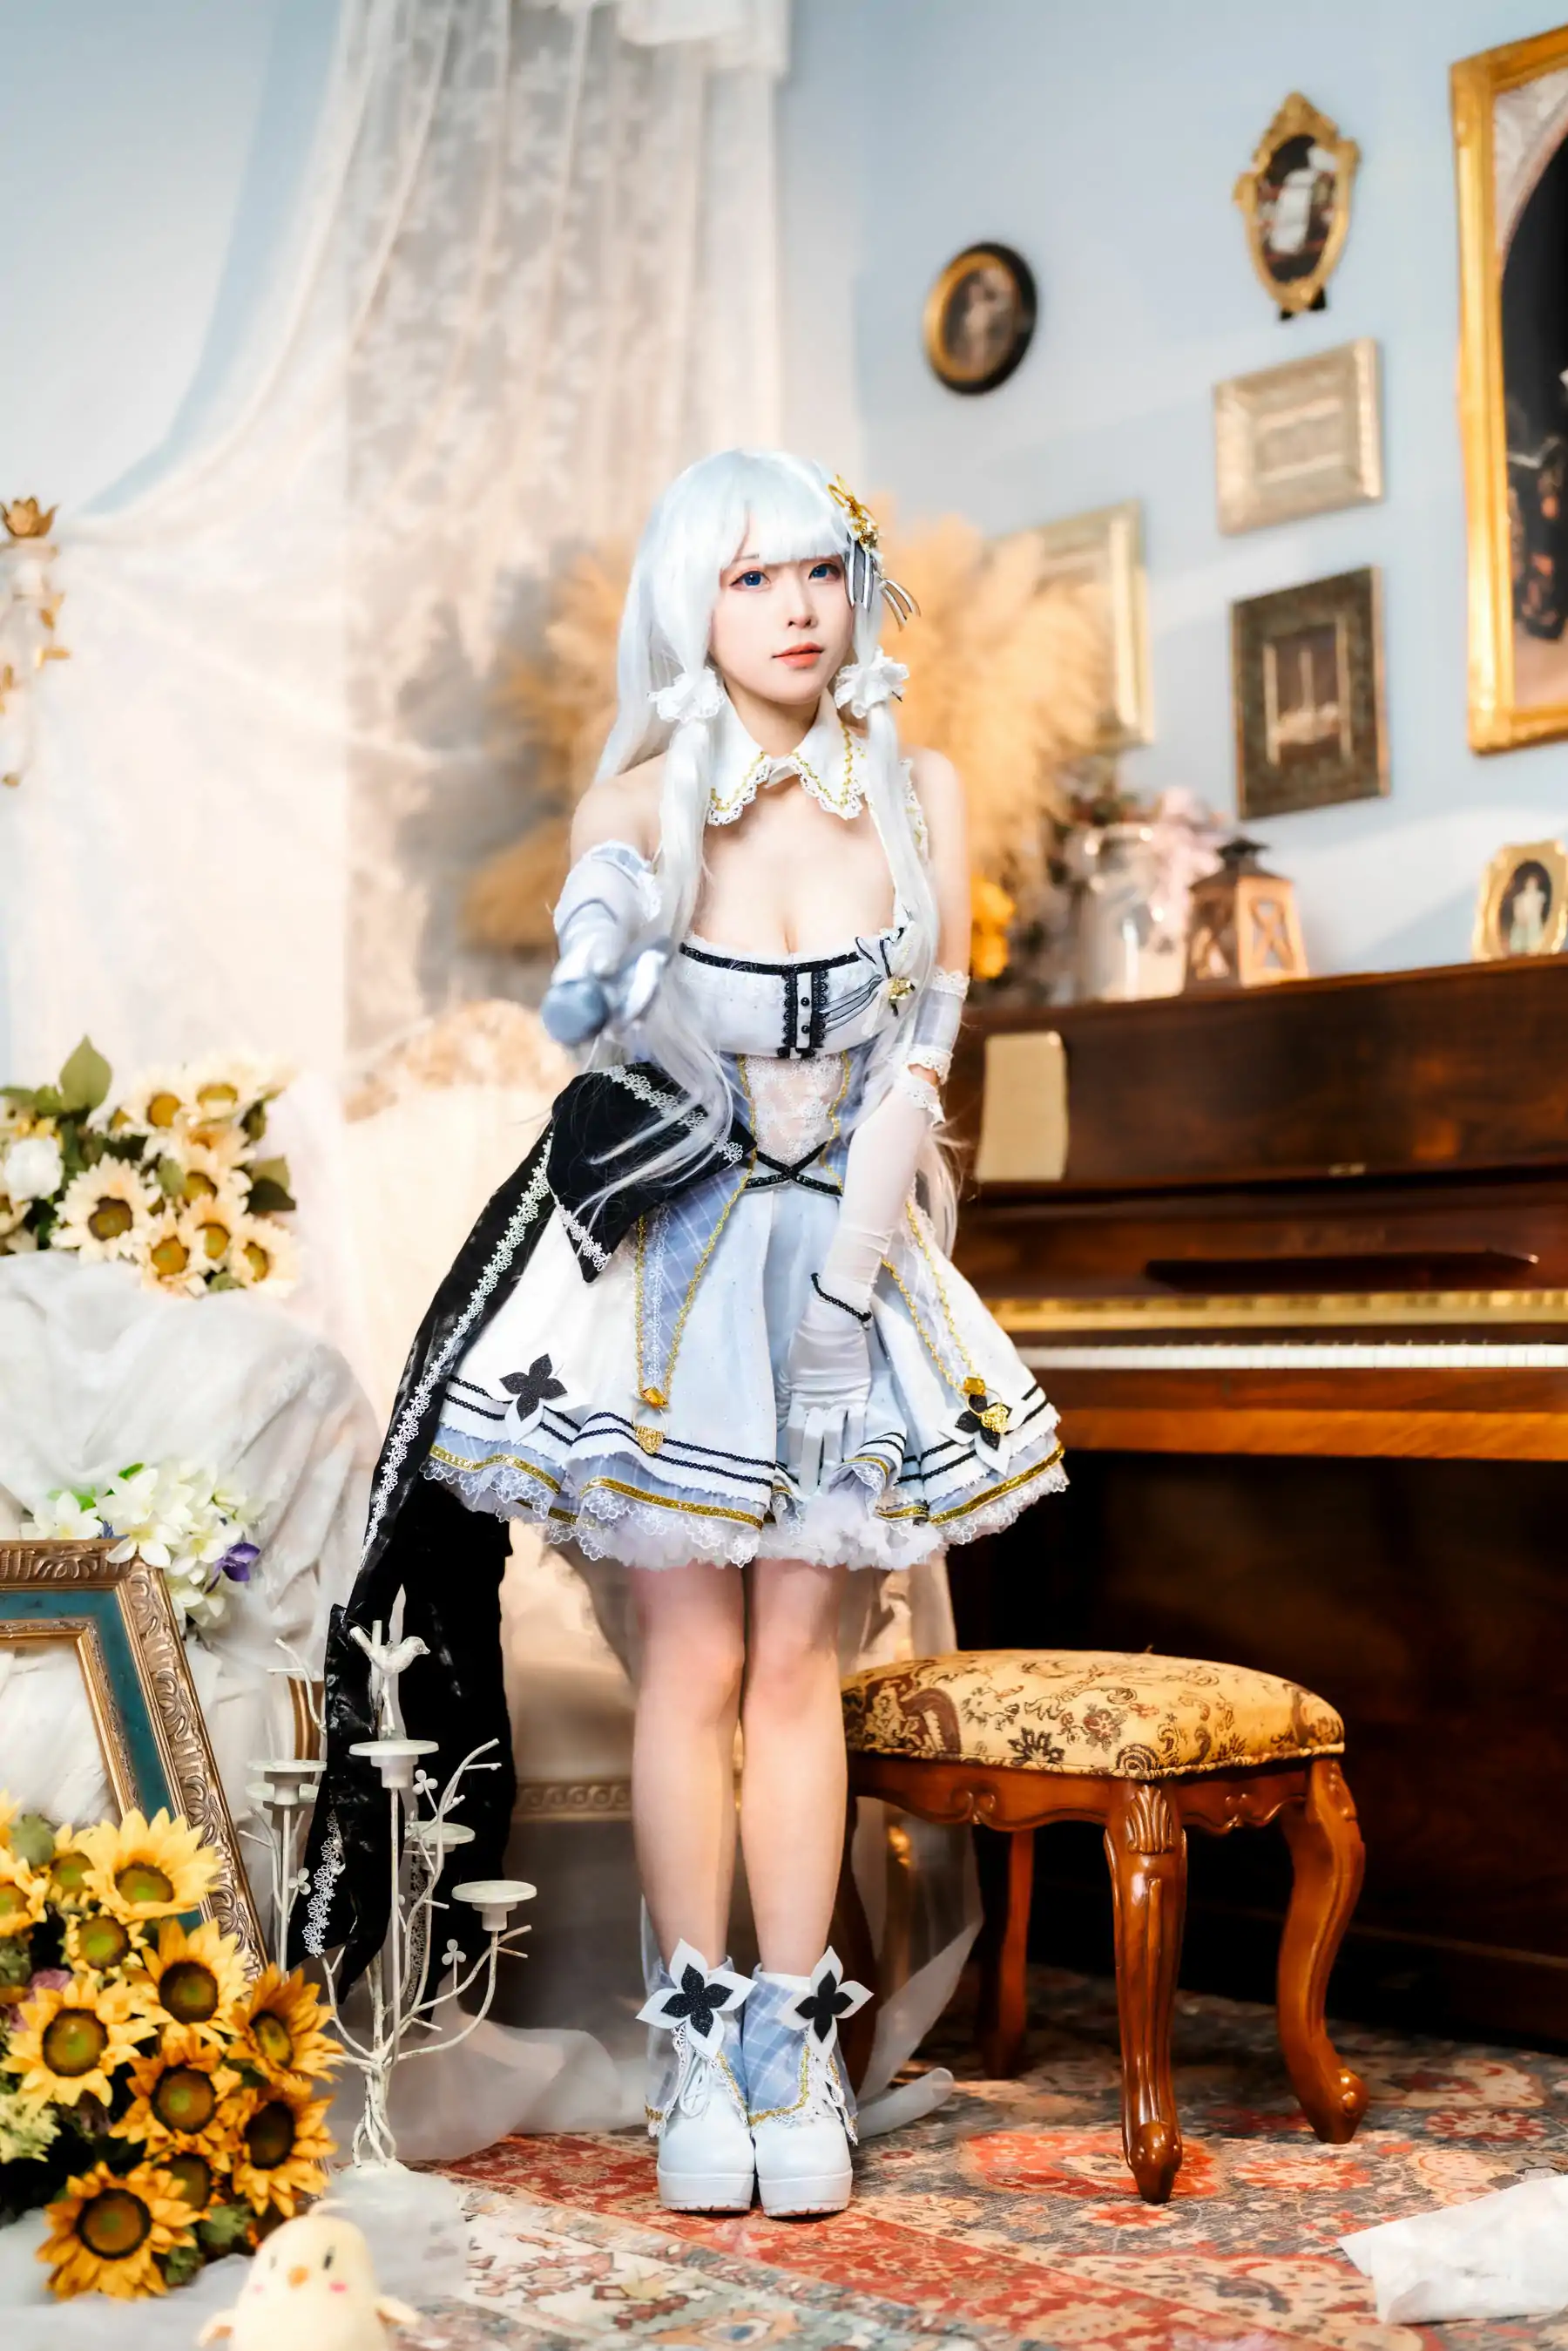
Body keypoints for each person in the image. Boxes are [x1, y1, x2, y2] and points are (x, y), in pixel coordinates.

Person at [295, 449, 1064, 2219]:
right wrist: (595, 959)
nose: (796, 608)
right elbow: (605, 943)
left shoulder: (923, 792)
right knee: (693, 1661)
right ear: (691, 605)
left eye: (818, 570)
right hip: (677, 1278)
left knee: (801, 1663)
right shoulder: (643, 800)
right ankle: (698, 2036)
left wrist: (850, 1302)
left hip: (846, 1261)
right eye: (749, 577)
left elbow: (919, 1065)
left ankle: (794, 2040)